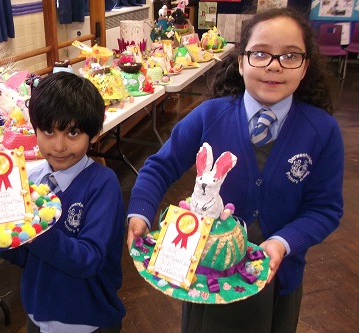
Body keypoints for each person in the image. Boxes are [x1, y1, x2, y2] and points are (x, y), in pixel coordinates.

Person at [126, 7, 343, 333]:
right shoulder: (209, 115)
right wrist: (140, 212)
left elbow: (325, 208)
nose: (274, 65)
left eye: (290, 56)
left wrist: (282, 243)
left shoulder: (322, 131)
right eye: (260, 54)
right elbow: (160, 166)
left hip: (278, 276)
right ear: (241, 62)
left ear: (305, 67)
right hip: (208, 274)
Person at [0, 72, 126, 332]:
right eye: (48, 131)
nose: (58, 145)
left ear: (93, 134)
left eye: (73, 132)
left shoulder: (103, 185)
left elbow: (89, 259)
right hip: (38, 315)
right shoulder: (31, 180)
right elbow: (23, 255)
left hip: (90, 321)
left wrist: (33, 230)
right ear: (33, 129)